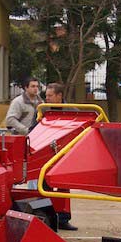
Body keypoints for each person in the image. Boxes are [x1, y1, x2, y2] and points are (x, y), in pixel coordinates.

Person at [39, 82, 77, 231]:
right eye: (46, 95)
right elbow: (33, 129)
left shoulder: (73, 111)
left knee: (63, 187)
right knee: (43, 187)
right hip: (44, 156)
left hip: (63, 156)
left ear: (59, 96)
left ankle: (63, 219)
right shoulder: (42, 110)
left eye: (50, 95)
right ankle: (46, 218)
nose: (46, 98)